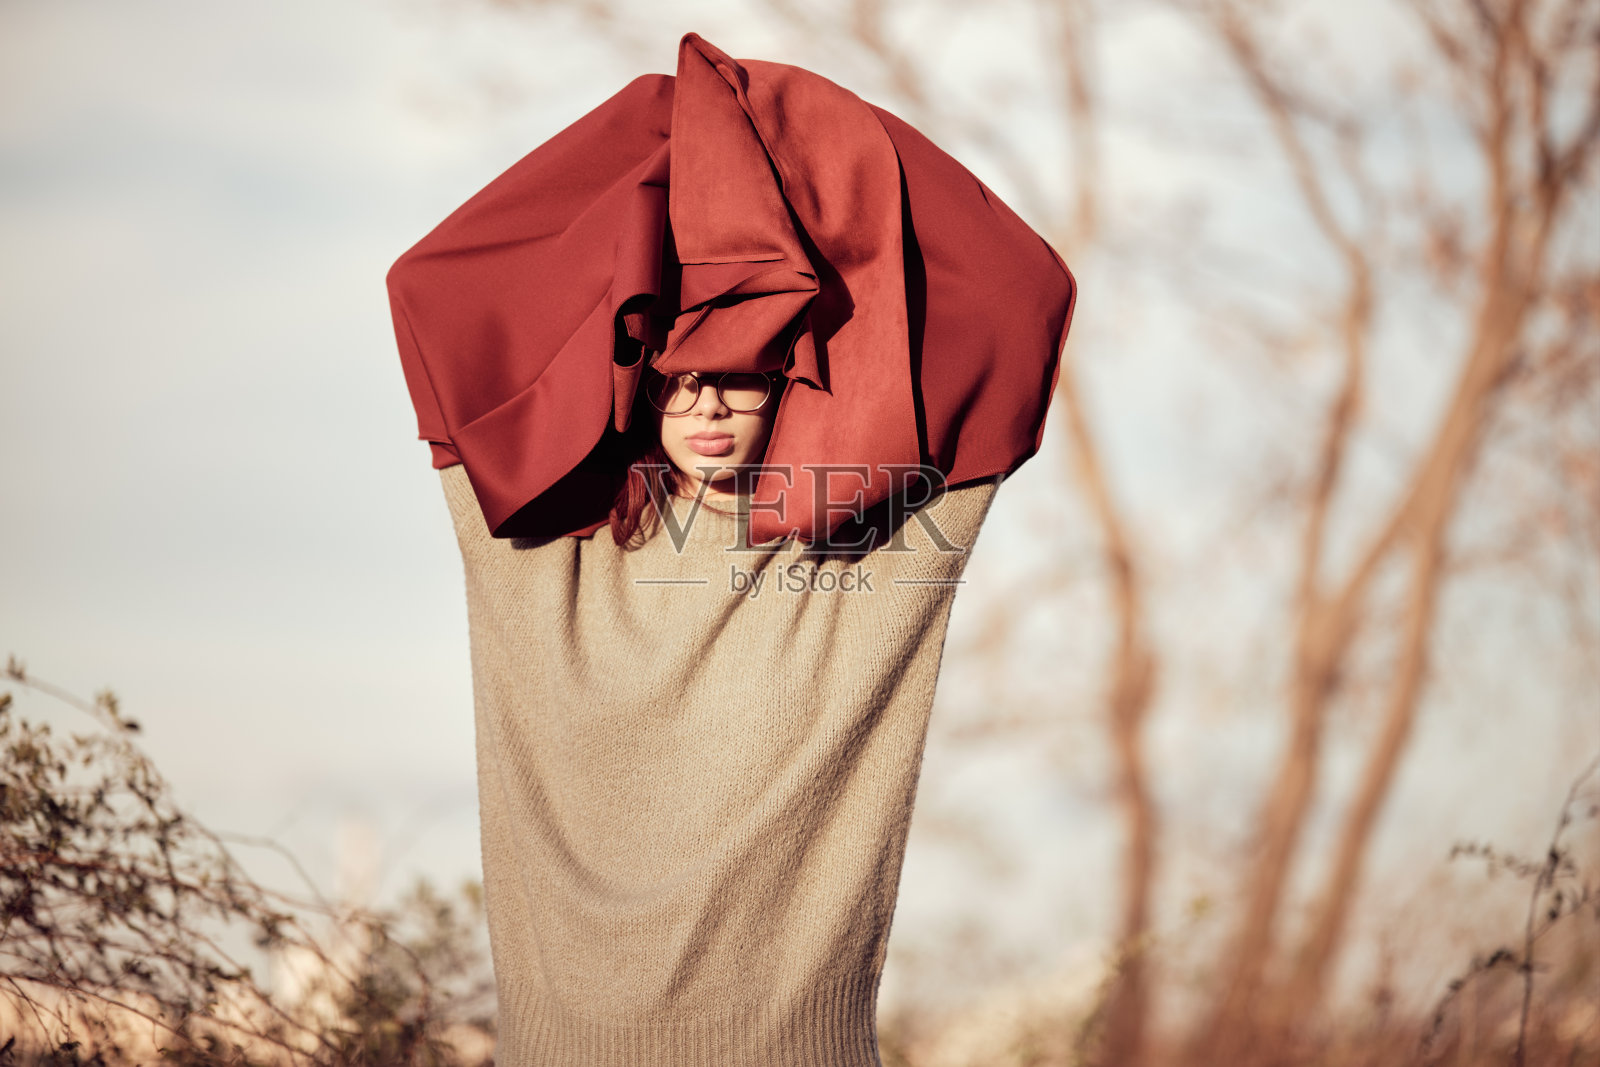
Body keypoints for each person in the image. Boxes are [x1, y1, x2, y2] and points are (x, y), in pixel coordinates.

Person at [390, 33, 1074, 1065]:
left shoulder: (867, 551)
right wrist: (675, 139)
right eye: (679, 375)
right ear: (635, 383)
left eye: (740, 371)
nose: (707, 402)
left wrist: (778, 125)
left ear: (786, 377)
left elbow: (1019, 296)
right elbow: (434, 289)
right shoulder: (538, 542)